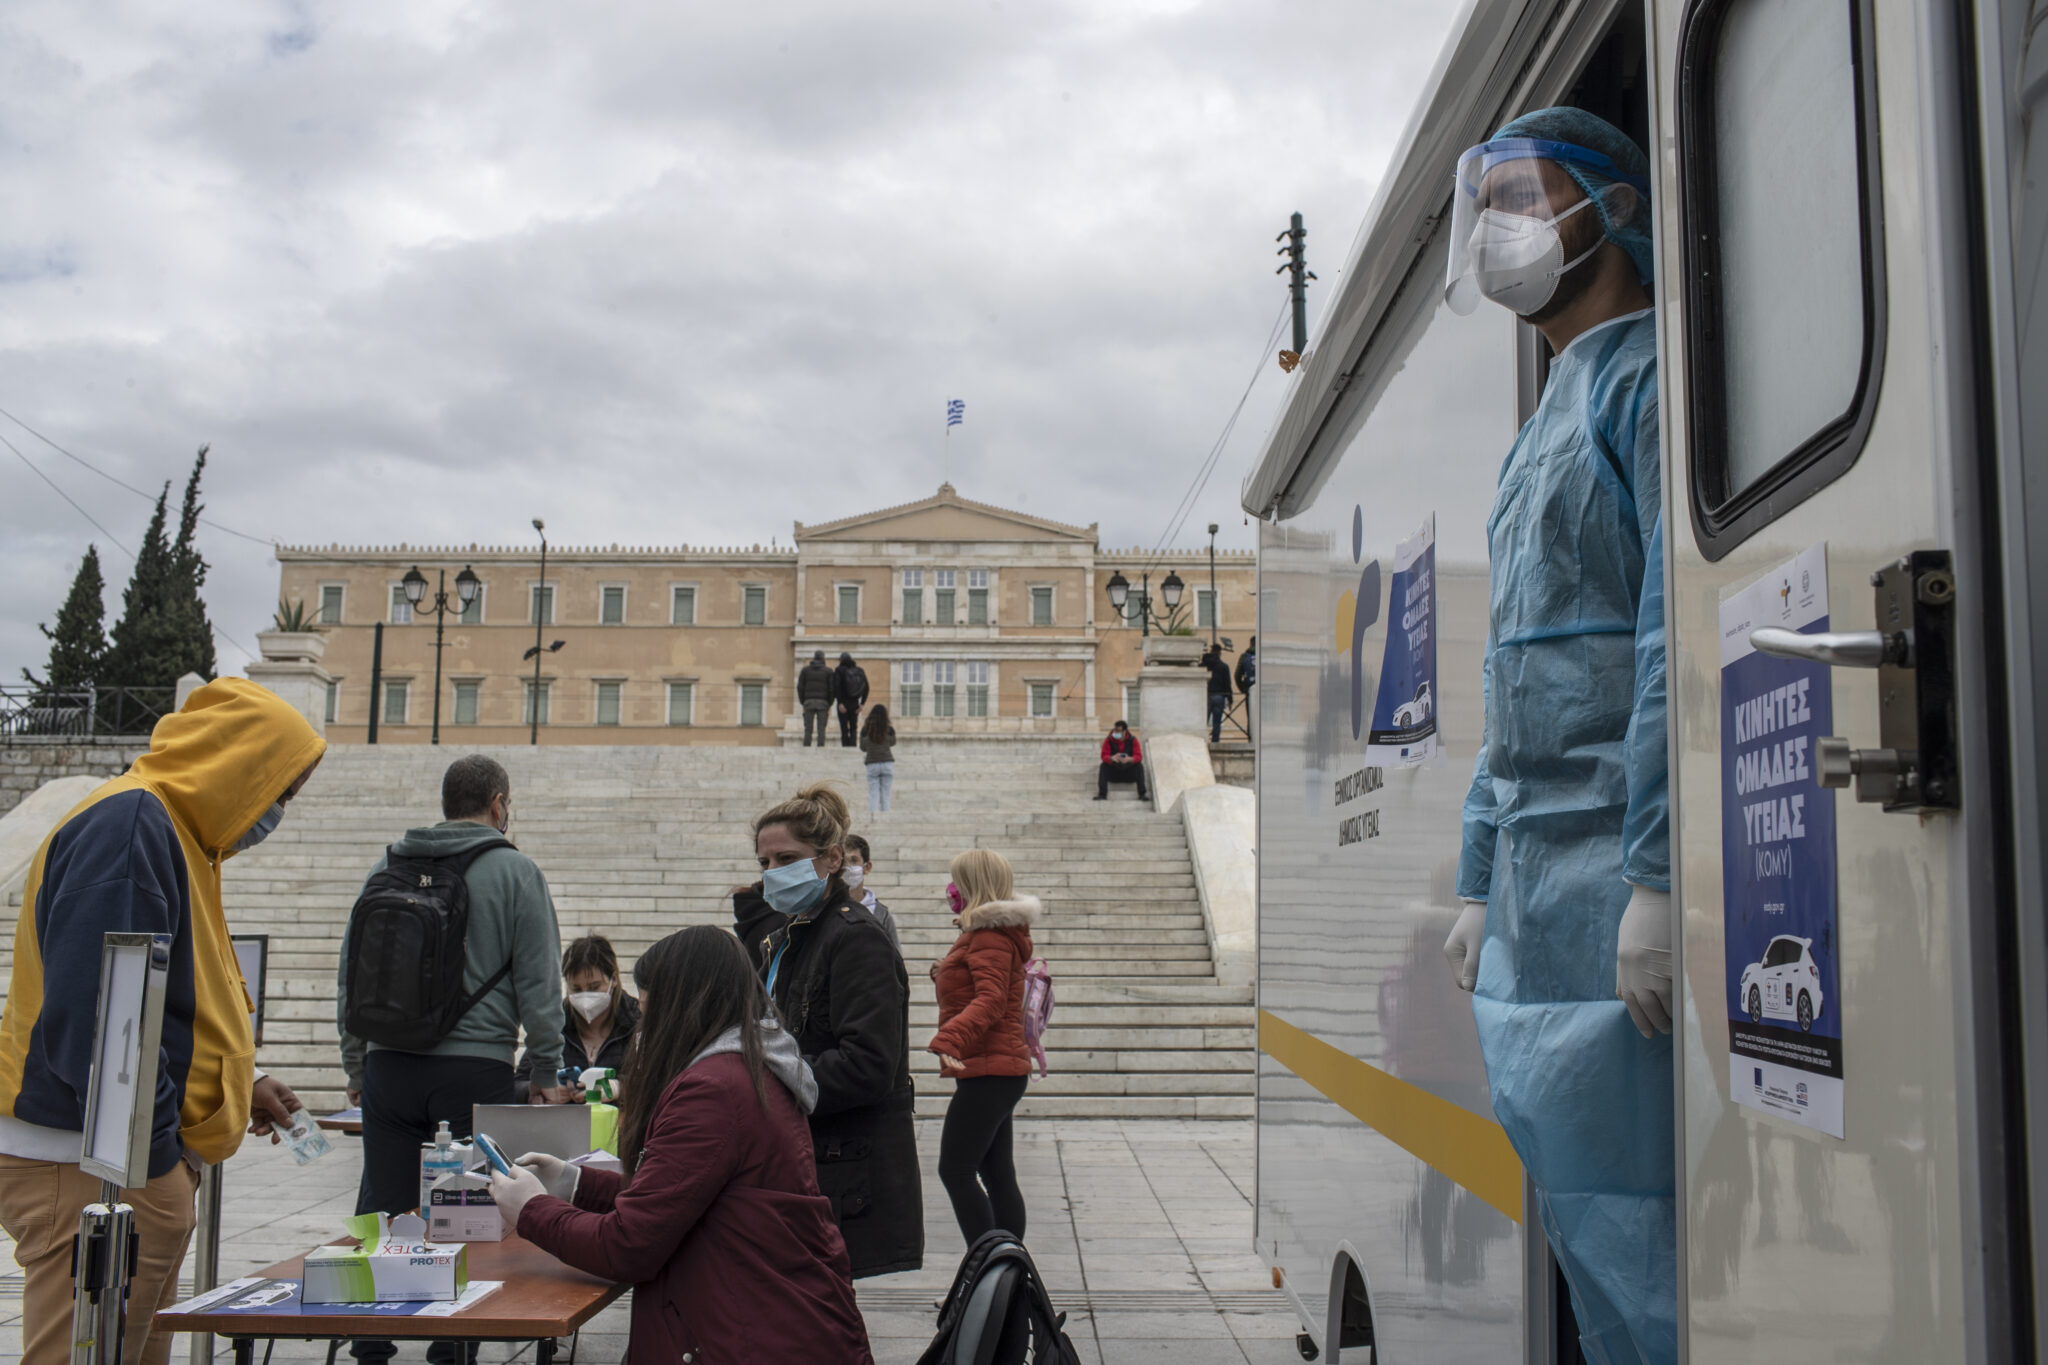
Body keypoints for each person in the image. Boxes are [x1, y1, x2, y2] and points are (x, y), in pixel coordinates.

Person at [1438, 106, 1674, 1365]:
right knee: (1587, 1229)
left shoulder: (1646, 384)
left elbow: (1659, 648)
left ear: (1611, 206)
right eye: (1488, 204)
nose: (1498, 229)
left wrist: (1654, 873)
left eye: (1522, 196)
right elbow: (1509, 668)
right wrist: (1479, 875)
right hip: (1539, 888)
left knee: (1655, 1239)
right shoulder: (1538, 427)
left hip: (1605, 879)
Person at [0, 678, 321, 1365]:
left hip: (124, 1162)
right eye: (280, 788)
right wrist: (157, 1168)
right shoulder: (132, 826)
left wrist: (240, 1083)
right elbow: (97, 1017)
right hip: (96, 1165)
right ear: (237, 763)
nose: (277, 808)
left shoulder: (175, 832)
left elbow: (180, 996)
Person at [490, 927, 873, 1364]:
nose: (645, 1029)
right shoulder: (748, 1068)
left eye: (651, 1012)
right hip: (768, 1316)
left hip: (746, 1333)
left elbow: (628, 1245)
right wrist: (572, 1183)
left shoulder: (713, 1090)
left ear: (684, 1008)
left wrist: (532, 1211)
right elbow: (677, 1198)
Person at [339, 755, 572, 1365]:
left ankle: (371, 1345)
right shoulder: (515, 870)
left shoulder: (387, 864)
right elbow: (541, 978)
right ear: (499, 804)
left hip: (389, 1062)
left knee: (384, 1206)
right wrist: (545, 1067)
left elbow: (351, 970)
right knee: (465, 1210)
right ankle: (453, 1344)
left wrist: (355, 1065)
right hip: (475, 1064)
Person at [731, 784, 923, 1278]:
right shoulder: (789, 935)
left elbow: (869, 1065)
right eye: (764, 862)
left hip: (841, 1171)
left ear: (832, 858)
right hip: (800, 1160)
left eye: (786, 858)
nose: (771, 873)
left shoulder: (856, 939)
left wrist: (766, 1080)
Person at [928, 850, 1037, 1245]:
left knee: (955, 1170)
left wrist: (949, 1038)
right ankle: (1006, 1277)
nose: (951, 888)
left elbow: (990, 1001)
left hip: (991, 1071)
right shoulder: (985, 934)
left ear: (972, 885)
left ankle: (988, 1273)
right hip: (996, 1069)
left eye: (957, 879)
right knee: (996, 1174)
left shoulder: (989, 935)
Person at [514, 935, 641, 1103]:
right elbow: (518, 1085)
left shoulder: (637, 1021)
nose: (585, 996)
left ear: (614, 979)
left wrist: (620, 1087)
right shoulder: (554, 1024)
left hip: (622, 1124)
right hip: (564, 1124)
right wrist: (542, 1088)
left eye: (594, 987)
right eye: (576, 988)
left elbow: (660, 1080)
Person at [841, 833, 901, 953]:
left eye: (853, 860)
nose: (847, 867)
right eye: (844, 861)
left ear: (867, 867)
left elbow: (896, 959)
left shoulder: (882, 915)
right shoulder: (825, 908)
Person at [1096, 719, 1148, 801]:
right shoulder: (1109, 740)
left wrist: (1129, 759)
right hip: (1114, 772)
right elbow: (1103, 756)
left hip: (1128, 772)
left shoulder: (1133, 740)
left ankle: (1142, 794)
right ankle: (1102, 794)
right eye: (1115, 730)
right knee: (1103, 766)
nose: (1116, 732)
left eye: (1119, 731)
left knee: (1139, 766)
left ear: (1125, 731)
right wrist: (1111, 758)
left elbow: (1139, 757)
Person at [858, 705, 897, 815]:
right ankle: (886, 816)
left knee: (873, 793)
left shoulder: (866, 729)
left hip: (872, 763)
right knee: (886, 793)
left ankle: (873, 816)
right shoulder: (889, 729)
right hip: (887, 762)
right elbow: (893, 742)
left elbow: (863, 747)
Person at [799, 649, 836, 747]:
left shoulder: (805, 670)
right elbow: (832, 689)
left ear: (814, 657)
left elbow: (800, 687)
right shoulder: (828, 671)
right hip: (823, 702)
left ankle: (806, 748)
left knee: (808, 728)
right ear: (823, 658)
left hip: (808, 701)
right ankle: (820, 749)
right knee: (821, 728)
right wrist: (830, 702)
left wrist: (803, 701)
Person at [833, 651, 870, 747]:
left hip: (843, 703)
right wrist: (862, 703)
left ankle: (845, 747)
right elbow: (866, 687)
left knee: (844, 727)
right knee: (854, 727)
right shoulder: (859, 670)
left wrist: (840, 702)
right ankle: (852, 746)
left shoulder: (839, 670)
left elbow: (837, 687)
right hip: (855, 703)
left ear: (841, 660)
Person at [1202, 644, 1234, 742]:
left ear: (1211, 651)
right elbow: (1227, 683)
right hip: (1219, 695)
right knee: (1217, 721)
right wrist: (1230, 699)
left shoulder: (1203, 664)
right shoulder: (1223, 666)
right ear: (1220, 652)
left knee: (1203, 720)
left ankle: (1202, 739)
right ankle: (1215, 740)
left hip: (1206, 695)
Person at [1235, 636, 1258, 742]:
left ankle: (1251, 739)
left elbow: (1237, 675)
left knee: (1251, 716)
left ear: (1251, 644)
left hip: (1250, 689)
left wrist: (1243, 689)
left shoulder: (1244, 657)